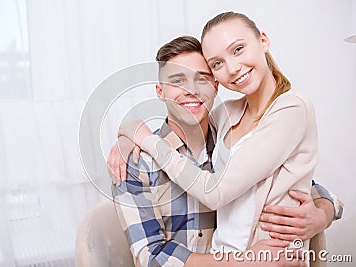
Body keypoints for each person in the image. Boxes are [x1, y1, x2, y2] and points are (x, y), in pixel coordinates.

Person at [112, 12, 343, 265]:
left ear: (214, 86)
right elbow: (151, 257)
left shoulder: (268, 117)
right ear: (160, 91)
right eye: (178, 80)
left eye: (202, 77)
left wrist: (323, 212)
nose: (192, 89)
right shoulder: (139, 162)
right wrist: (128, 132)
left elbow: (297, 181)